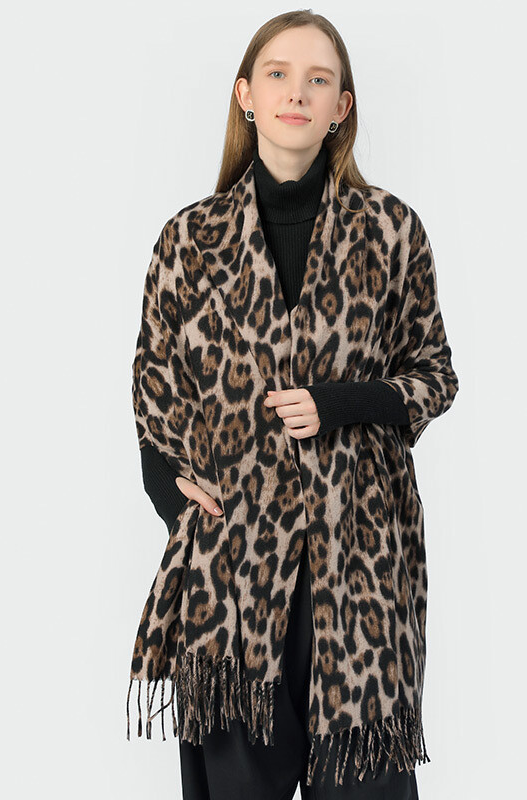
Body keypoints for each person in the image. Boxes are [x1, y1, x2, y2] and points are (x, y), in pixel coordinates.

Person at [129, 10, 458, 800]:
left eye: (318, 79)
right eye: (277, 74)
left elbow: (435, 375)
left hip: (359, 565)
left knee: (366, 784)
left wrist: (341, 402)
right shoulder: (188, 241)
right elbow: (154, 393)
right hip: (231, 576)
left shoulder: (390, 232)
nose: (296, 93)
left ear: (341, 106)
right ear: (246, 94)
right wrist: (171, 497)